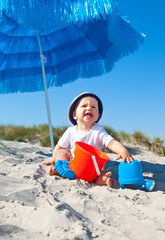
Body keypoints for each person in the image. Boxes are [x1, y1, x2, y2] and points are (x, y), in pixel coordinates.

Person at [43, 92, 133, 187]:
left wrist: (123, 151)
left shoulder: (98, 131)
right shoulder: (70, 131)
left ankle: (102, 179)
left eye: (93, 107)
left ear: (97, 116)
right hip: (73, 164)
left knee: (102, 168)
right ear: (74, 115)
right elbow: (59, 147)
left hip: (91, 166)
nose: (89, 108)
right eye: (84, 106)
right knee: (62, 152)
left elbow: (111, 143)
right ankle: (61, 166)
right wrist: (54, 158)